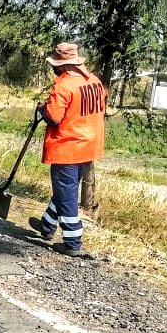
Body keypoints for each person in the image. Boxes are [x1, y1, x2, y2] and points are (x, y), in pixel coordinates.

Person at [28, 42, 106, 258]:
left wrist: (42, 109)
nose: (54, 68)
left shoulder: (64, 85)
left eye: (55, 65)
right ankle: (47, 226)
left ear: (62, 65)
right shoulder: (95, 82)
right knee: (66, 188)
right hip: (89, 146)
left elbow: (54, 117)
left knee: (67, 191)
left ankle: (72, 241)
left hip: (68, 147)